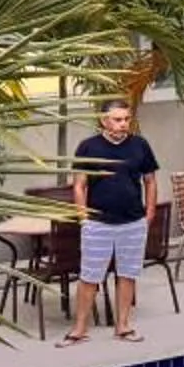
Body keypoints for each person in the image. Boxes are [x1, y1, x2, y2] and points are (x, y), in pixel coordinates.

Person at [66, 97, 161, 344]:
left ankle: (123, 326)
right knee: (89, 277)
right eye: (118, 120)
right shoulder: (88, 147)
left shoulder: (140, 145)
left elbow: (150, 180)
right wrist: (83, 217)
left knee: (127, 275)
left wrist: (149, 212)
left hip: (132, 222)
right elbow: (79, 185)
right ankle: (79, 330)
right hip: (98, 224)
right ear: (104, 120)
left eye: (127, 119)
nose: (123, 124)